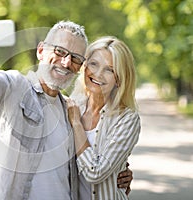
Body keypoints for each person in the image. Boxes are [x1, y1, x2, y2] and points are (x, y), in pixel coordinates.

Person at [0, 11, 132, 200]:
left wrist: (118, 174)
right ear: (40, 51)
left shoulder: (71, 110)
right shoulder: (14, 88)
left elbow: (87, 163)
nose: (66, 62)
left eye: (76, 58)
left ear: (80, 67)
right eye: (60, 51)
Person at [67, 36, 141, 200]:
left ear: (119, 79)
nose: (98, 74)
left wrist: (76, 124)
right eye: (94, 64)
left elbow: (95, 172)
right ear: (84, 67)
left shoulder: (127, 119)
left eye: (109, 70)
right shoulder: (70, 105)